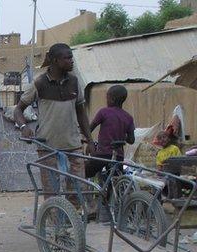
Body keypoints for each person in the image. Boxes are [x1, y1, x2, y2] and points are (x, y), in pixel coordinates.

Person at [14, 42, 93, 202]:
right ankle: (53, 225)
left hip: (73, 145)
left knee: (78, 191)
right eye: (67, 58)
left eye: (71, 58)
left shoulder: (74, 82)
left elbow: (81, 114)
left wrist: (90, 140)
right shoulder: (39, 83)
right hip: (47, 146)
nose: (72, 61)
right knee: (52, 193)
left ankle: (74, 224)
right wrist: (23, 127)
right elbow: (18, 110)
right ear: (56, 61)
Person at [85, 85, 135, 178]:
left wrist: (86, 138)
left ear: (112, 99)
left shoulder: (104, 112)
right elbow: (131, 140)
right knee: (114, 180)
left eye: (107, 98)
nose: (106, 100)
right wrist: (122, 136)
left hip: (102, 154)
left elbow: (89, 128)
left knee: (84, 172)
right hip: (118, 157)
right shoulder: (128, 117)